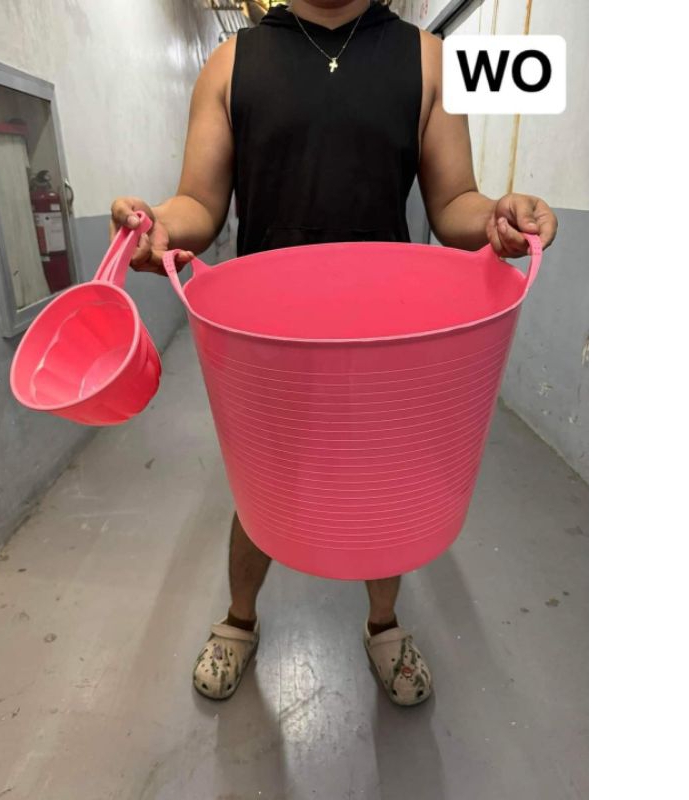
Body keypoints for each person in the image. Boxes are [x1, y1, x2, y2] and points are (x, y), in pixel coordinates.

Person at [109, 0, 557, 706]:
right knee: (262, 485)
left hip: (386, 334)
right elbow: (200, 202)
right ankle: (239, 621)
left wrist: (495, 216)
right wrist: (161, 222)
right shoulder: (230, 64)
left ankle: (383, 627)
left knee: (383, 485)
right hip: (266, 336)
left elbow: (455, 204)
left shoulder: (427, 59)